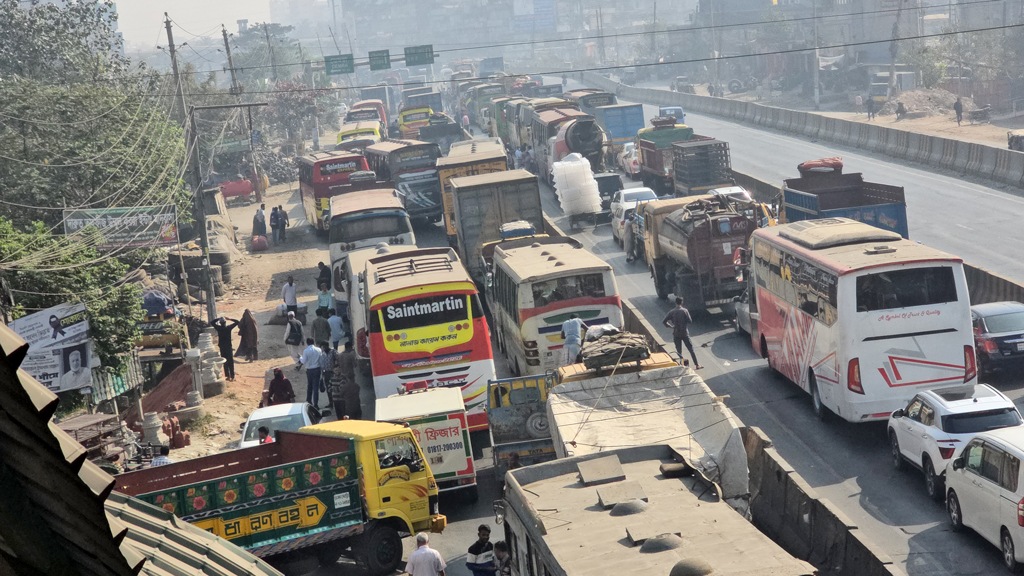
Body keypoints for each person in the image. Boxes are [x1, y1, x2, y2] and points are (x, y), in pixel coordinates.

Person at [663, 297, 702, 369]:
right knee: (691, 350)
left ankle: (681, 366)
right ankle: (697, 365)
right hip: (684, 333)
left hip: (676, 333)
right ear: (682, 302)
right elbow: (690, 321)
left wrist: (671, 327)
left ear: (675, 302)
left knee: (679, 351)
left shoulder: (671, 312)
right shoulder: (685, 311)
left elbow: (664, 321)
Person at [335, 341, 361, 419]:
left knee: (344, 393)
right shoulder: (350, 355)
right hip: (349, 375)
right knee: (353, 393)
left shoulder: (339, 355)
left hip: (342, 376)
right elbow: (355, 365)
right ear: (349, 347)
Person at [300, 338, 324, 408]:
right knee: (316, 388)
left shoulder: (305, 351)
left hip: (309, 370)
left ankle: (309, 401)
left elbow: (303, 361)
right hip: (317, 369)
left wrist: (300, 358)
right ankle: (316, 404)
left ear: (307, 343)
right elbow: (321, 360)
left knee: (309, 386)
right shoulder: (319, 350)